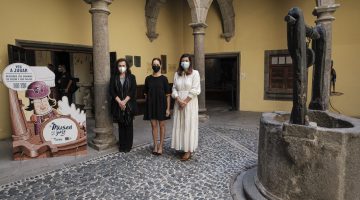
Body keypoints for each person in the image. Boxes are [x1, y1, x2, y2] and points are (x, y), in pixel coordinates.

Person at [171, 54, 201, 161]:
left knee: (189, 124)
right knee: (181, 124)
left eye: (186, 60)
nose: (184, 62)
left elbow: (195, 89)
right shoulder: (176, 74)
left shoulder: (195, 73)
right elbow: (174, 88)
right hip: (178, 103)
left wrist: (185, 102)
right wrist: (178, 100)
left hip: (190, 103)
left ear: (190, 62)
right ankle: (182, 146)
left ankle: (189, 149)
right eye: (182, 60)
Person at [143, 58, 171, 155]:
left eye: (157, 64)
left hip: (162, 106)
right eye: (154, 64)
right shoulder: (148, 79)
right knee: (153, 126)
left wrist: (168, 109)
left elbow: (168, 95)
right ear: (152, 65)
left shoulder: (164, 79)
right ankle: (155, 145)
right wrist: (147, 107)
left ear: (161, 65)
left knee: (162, 126)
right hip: (151, 106)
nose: (155, 66)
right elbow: (145, 94)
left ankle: (161, 146)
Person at [109, 58, 137, 152]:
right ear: (117, 67)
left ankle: (128, 146)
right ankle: (122, 145)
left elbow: (132, 90)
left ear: (126, 66)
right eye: (120, 66)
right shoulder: (114, 77)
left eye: (123, 65)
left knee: (128, 124)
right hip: (118, 105)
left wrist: (124, 101)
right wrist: (119, 102)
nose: (122, 67)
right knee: (121, 125)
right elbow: (112, 91)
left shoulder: (131, 77)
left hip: (129, 105)